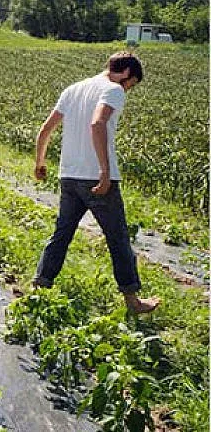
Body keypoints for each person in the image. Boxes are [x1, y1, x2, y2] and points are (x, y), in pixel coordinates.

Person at [33, 51, 160, 314]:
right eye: (131, 84)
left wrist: (40, 162)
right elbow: (97, 123)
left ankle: (39, 287)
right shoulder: (113, 90)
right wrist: (104, 171)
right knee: (118, 238)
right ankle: (133, 301)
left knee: (61, 234)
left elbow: (46, 129)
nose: (129, 89)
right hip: (97, 177)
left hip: (68, 175)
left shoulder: (73, 89)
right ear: (126, 73)